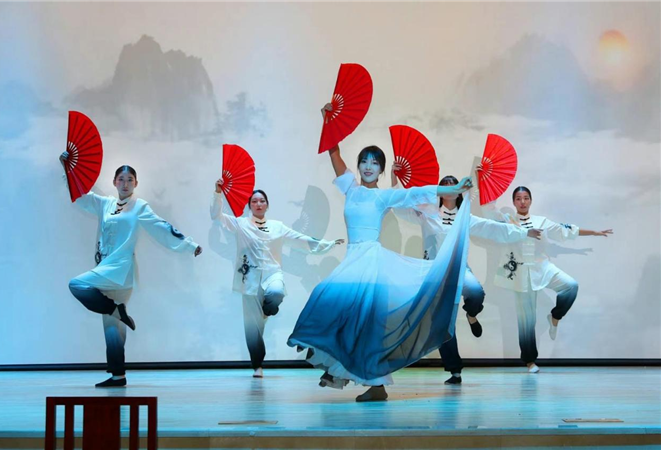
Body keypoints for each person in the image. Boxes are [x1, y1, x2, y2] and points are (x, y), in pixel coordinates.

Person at [288, 103, 473, 402]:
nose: (368, 166)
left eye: (374, 163)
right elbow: (333, 153)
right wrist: (328, 122)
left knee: (367, 323)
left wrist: (450, 191)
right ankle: (337, 365)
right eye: (364, 161)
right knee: (330, 300)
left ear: (381, 170)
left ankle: (374, 385)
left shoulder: (382, 196)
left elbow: (414, 193)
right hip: (353, 259)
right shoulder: (351, 188)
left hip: (371, 262)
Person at [60, 152, 202, 387]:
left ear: (136, 184)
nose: (125, 184)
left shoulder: (139, 206)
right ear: (114, 182)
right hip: (106, 267)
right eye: (121, 179)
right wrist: (67, 169)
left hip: (121, 268)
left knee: (77, 285)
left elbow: (161, 226)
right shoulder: (105, 203)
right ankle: (118, 376)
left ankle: (116, 310)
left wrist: (189, 245)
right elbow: (80, 195)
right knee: (112, 328)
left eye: (130, 180)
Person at [391, 172, 541, 384]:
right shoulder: (427, 213)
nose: (450, 187)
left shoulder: (465, 217)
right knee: (442, 321)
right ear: (441, 191)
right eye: (445, 185)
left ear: (460, 191)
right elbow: (401, 209)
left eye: (454, 184)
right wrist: (394, 182)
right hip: (435, 273)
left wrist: (525, 233)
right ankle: (455, 370)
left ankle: (471, 314)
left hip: (460, 268)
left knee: (476, 293)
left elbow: (494, 228)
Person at [212, 181, 344, 378]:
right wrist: (218, 193)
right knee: (253, 328)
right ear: (249, 206)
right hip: (249, 279)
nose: (258, 204)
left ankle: (268, 309)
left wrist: (327, 244)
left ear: (267, 205)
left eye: (262, 201)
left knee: (276, 292)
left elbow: (300, 238)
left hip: (272, 273)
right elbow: (217, 216)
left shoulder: (277, 227)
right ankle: (257, 365)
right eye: (254, 201)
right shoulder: (240, 224)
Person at [482, 185, 613, 373]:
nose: (522, 202)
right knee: (526, 321)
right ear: (513, 202)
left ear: (531, 200)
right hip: (520, 274)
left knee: (571, 286)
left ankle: (555, 316)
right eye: (518, 199)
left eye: (526, 198)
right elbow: (489, 211)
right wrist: (482, 183)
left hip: (541, 267)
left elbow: (565, 230)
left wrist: (594, 232)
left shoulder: (540, 221)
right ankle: (530, 361)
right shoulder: (507, 220)